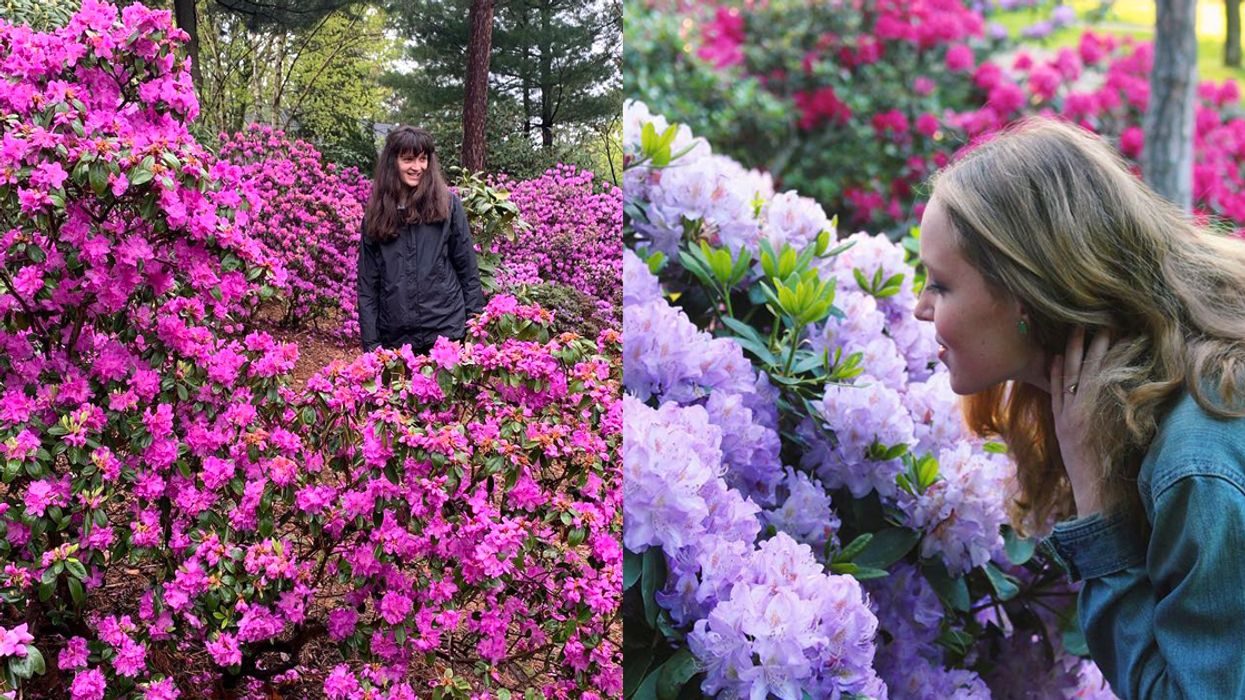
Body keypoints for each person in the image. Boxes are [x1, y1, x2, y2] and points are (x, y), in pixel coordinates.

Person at [913, 117, 1245, 699]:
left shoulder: (1196, 460)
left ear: (1024, 292)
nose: (920, 308)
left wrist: (1098, 507)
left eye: (940, 284)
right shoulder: (1159, 392)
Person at [357, 126, 484, 354]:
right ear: (392, 162)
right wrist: (372, 346)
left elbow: (468, 270)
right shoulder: (375, 214)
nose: (417, 167)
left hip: (446, 332)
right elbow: (368, 286)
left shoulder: (448, 205)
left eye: (423, 159)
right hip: (396, 341)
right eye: (408, 159)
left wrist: (474, 332)